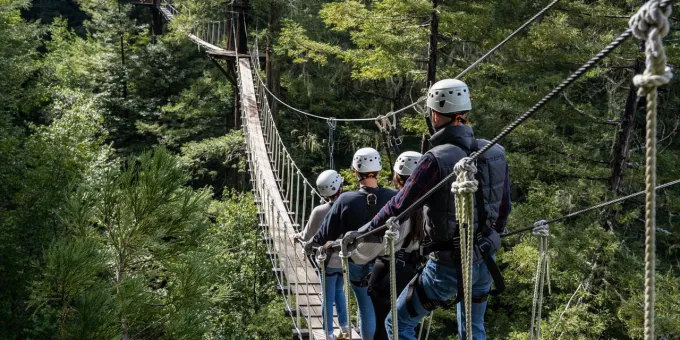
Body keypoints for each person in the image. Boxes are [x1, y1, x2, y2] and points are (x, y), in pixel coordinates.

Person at [346, 79, 512, 340]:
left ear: (434, 114)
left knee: (397, 324)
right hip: (484, 264)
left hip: (447, 267)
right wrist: (489, 239)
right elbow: (504, 210)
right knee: (472, 330)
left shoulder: (435, 160)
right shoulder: (495, 152)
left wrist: (365, 232)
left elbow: (400, 205)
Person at [313, 147, 398, 340]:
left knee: (365, 307)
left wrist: (311, 245)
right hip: (386, 262)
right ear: (379, 169)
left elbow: (324, 235)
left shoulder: (346, 200)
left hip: (359, 263)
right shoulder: (393, 197)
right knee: (389, 309)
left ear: (355, 171)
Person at [366, 151, 426, 340]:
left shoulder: (396, 208)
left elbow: (380, 244)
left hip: (387, 269)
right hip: (413, 271)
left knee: (382, 325)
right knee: (404, 325)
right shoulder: (429, 206)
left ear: (397, 178)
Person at [296, 170, 350, 340]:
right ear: (340, 188)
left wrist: (297, 236)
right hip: (344, 260)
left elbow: (306, 236)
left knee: (327, 297)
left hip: (325, 262)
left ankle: (328, 333)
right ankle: (345, 327)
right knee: (339, 292)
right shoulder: (349, 206)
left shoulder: (318, 211)